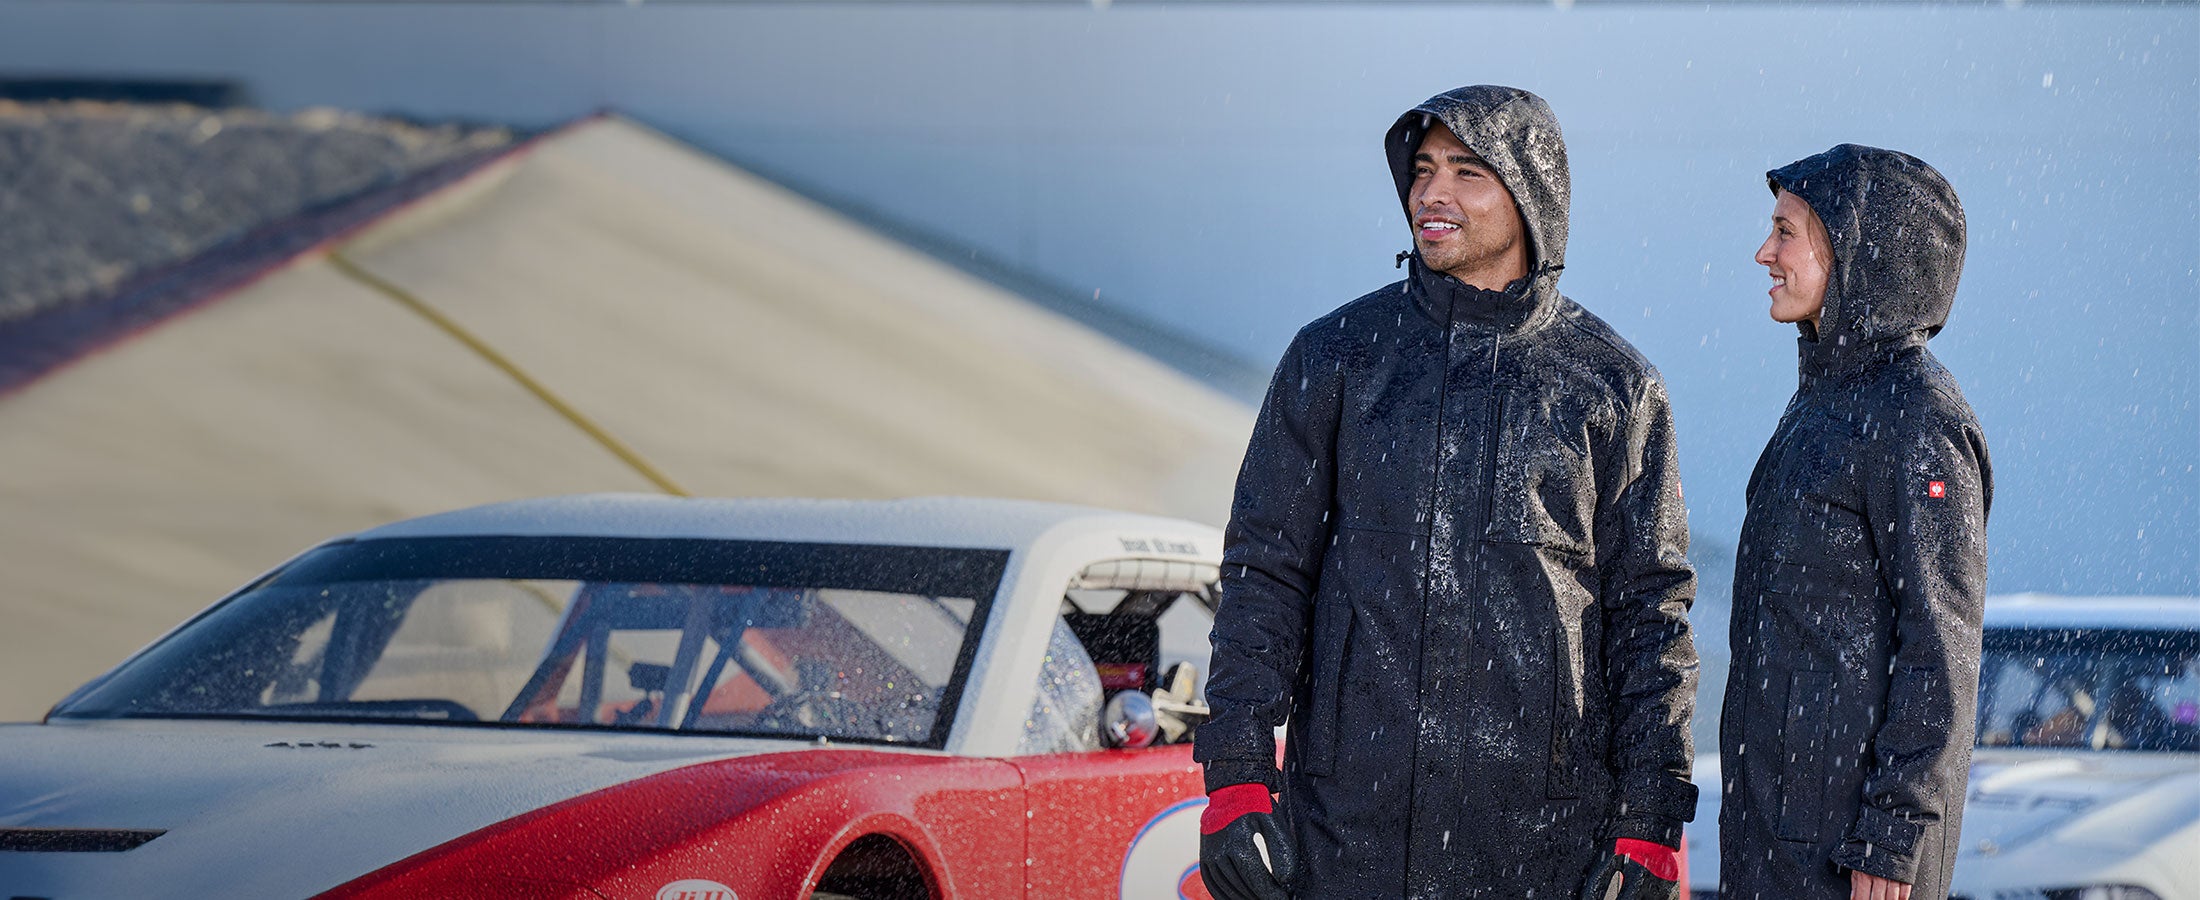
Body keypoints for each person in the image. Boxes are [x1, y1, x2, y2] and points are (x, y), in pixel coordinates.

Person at [1194, 84, 1699, 900]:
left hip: (1541, 847)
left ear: (1529, 194)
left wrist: (1652, 817)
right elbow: (1265, 573)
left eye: (1468, 172)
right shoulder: (1338, 359)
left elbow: (1651, 617)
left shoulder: (1612, 387)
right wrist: (1238, 771)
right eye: (1423, 169)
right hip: (1348, 834)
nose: (1431, 193)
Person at [1720, 145, 1992, 900]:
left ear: (1859, 249)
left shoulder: (1916, 418)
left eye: (1785, 232)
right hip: (1776, 839)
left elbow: (1941, 647)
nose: (1763, 254)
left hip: (1854, 860)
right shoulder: (1821, 404)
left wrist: (1895, 832)